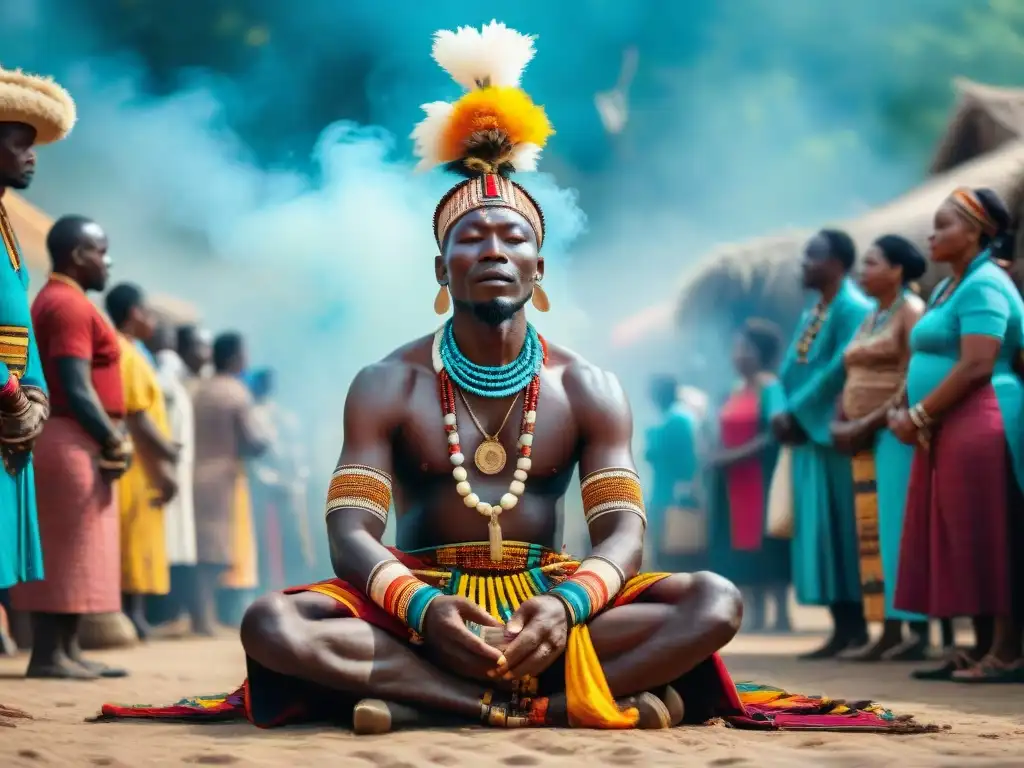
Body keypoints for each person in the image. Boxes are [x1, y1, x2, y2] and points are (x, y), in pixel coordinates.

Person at [97, 23, 932, 738]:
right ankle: (515, 705)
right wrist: (424, 610)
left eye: (511, 237)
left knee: (711, 602)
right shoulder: (388, 382)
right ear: (441, 266)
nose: (492, 248)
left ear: (539, 267)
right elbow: (351, 531)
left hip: (551, 604)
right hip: (421, 606)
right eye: (471, 237)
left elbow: (623, 536)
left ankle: (436, 703)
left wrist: (564, 609)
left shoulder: (587, 387)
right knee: (272, 621)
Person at [890, 187, 1024, 682]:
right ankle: (983, 644)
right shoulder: (951, 285)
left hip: (986, 418)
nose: (932, 233)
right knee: (963, 536)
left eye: (944, 224)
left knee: (991, 532)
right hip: (952, 425)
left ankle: (1009, 651)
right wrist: (909, 410)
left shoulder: (986, 284)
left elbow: (977, 364)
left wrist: (919, 415)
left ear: (977, 232)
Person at [11, 215, 132, 679]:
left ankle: (67, 649)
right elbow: (76, 387)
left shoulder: (64, 300)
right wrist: (112, 436)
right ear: (78, 255)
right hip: (69, 436)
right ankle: (47, 655)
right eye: (101, 251)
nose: (108, 261)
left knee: (81, 549)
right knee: (66, 550)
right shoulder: (66, 305)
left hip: (75, 438)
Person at [0, 66, 74, 662]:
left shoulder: (8, 230)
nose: (32, 157)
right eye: (19, 144)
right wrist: (10, 394)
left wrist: (35, 392)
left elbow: (17, 336)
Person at [772, 229, 872, 659]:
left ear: (838, 263)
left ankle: (858, 625)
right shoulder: (813, 312)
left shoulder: (854, 308)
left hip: (833, 432)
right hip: (807, 434)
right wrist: (781, 409)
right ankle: (841, 627)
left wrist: (795, 410)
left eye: (813, 256)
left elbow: (838, 369)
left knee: (843, 530)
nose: (804, 263)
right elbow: (784, 369)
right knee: (818, 533)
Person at [829, 235, 928, 661]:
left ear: (897, 270)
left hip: (894, 434)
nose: (862, 271)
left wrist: (868, 421)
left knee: (897, 531)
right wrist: (841, 419)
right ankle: (886, 628)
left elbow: (912, 378)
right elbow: (849, 370)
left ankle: (912, 630)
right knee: (871, 532)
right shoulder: (871, 316)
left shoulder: (911, 311)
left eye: (872, 263)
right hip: (864, 438)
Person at [705, 319, 791, 633]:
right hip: (733, 481)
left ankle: (781, 613)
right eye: (736, 349)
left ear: (761, 353)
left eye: (745, 349)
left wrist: (734, 455)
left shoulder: (770, 386)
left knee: (768, 541)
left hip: (761, 475)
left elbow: (774, 432)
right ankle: (755, 611)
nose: (738, 355)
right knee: (740, 544)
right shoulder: (733, 390)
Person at [106, 283, 177, 639]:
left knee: (139, 538)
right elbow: (137, 415)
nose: (152, 321)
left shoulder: (134, 351)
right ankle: (130, 614)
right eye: (148, 313)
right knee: (132, 538)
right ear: (134, 314)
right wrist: (169, 452)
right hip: (138, 462)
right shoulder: (126, 353)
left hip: (144, 461)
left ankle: (136, 614)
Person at [191, 332, 267, 634]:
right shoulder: (236, 392)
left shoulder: (200, 388)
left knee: (201, 547)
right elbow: (251, 439)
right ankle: (205, 620)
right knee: (215, 549)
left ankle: (202, 617)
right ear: (235, 358)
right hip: (222, 475)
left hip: (194, 473)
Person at [149, 320, 198, 632]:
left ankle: (171, 614)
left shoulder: (177, 377)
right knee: (167, 540)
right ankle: (161, 615)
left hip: (176, 464)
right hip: (163, 465)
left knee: (176, 541)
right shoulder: (164, 375)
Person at [246, 368, 315, 592]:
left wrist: (297, 481)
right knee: (265, 544)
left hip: (291, 489)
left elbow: (299, 453)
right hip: (265, 491)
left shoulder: (285, 416)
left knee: (295, 543)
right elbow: (253, 458)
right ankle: (267, 591)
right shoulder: (251, 414)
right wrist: (271, 482)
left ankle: (296, 589)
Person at [643, 375, 704, 573]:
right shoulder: (675, 417)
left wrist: (686, 486)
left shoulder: (677, 419)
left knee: (673, 551)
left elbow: (687, 457)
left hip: (672, 495)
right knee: (665, 548)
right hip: (664, 492)